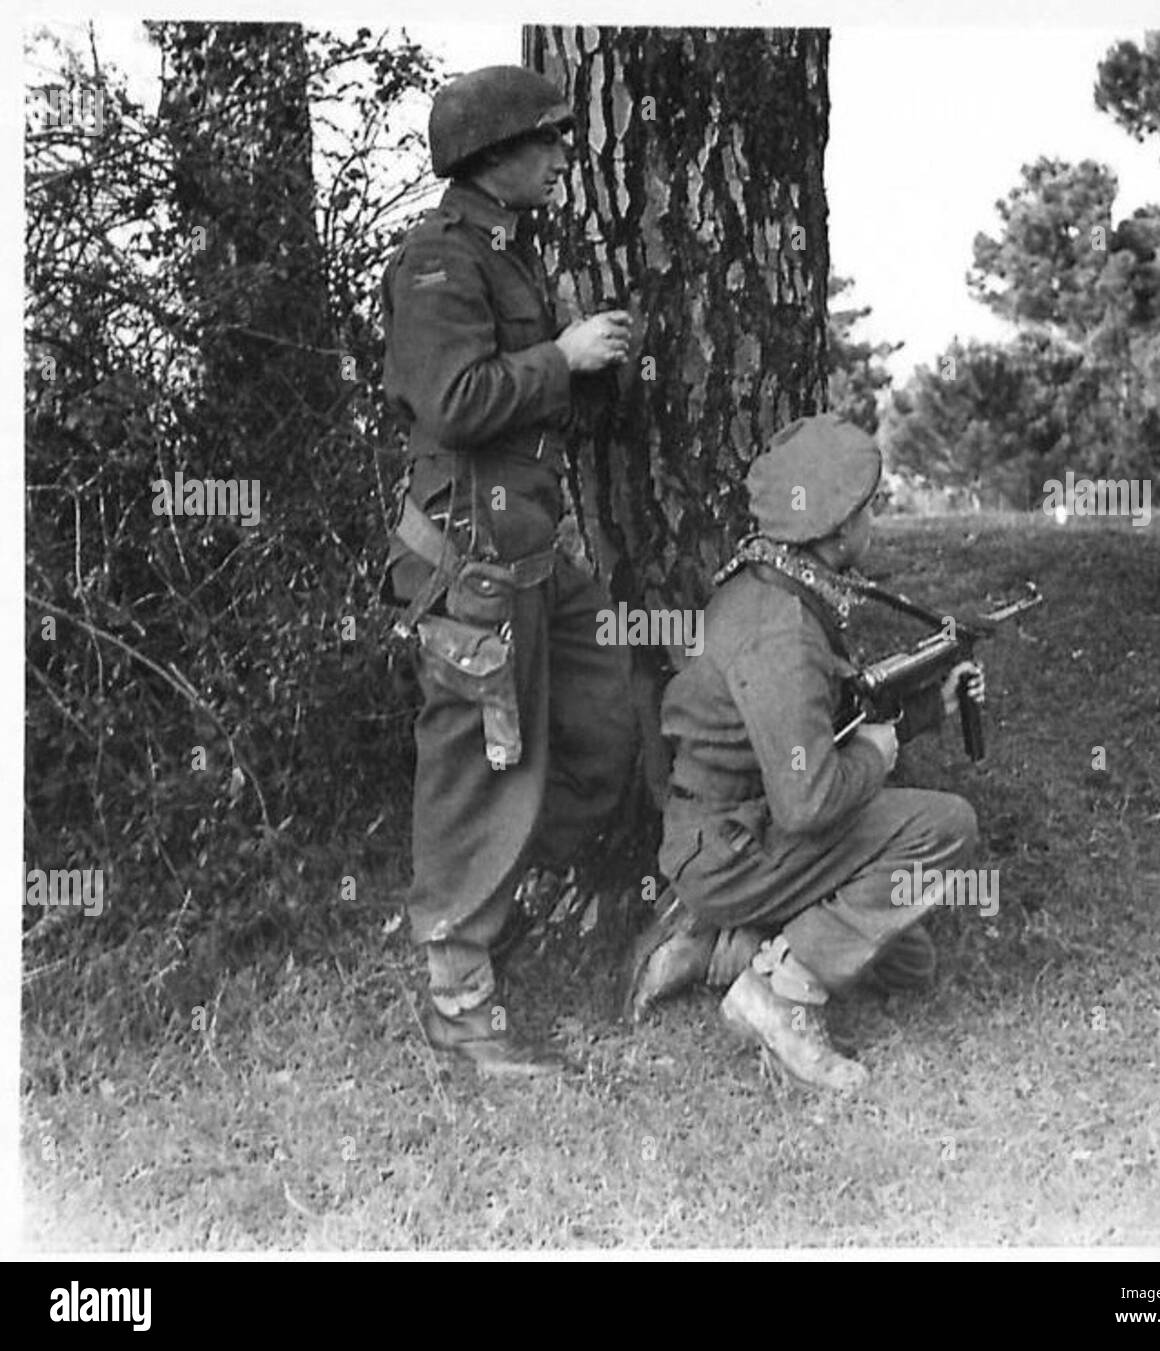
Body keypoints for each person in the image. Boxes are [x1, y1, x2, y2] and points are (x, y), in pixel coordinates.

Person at [379, 66, 636, 1078]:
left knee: (602, 731)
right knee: (474, 777)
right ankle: (459, 1001)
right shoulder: (441, 264)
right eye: (545, 142)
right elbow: (453, 402)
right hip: (473, 566)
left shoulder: (504, 256)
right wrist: (560, 359)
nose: (565, 156)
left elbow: (517, 403)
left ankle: (508, 912)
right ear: (490, 159)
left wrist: (582, 368)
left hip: (533, 555)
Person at [631, 414, 984, 1092]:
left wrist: (913, 719)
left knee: (909, 963)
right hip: (734, 846)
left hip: (728, 829)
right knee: (947, 825)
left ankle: (725, 944)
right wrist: (881, 754)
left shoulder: (770, 583)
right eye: (867, 506)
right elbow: (808, 800)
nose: (872, 518)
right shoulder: (783, 632)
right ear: (838, 526)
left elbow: (807, 731)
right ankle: (778, 993)